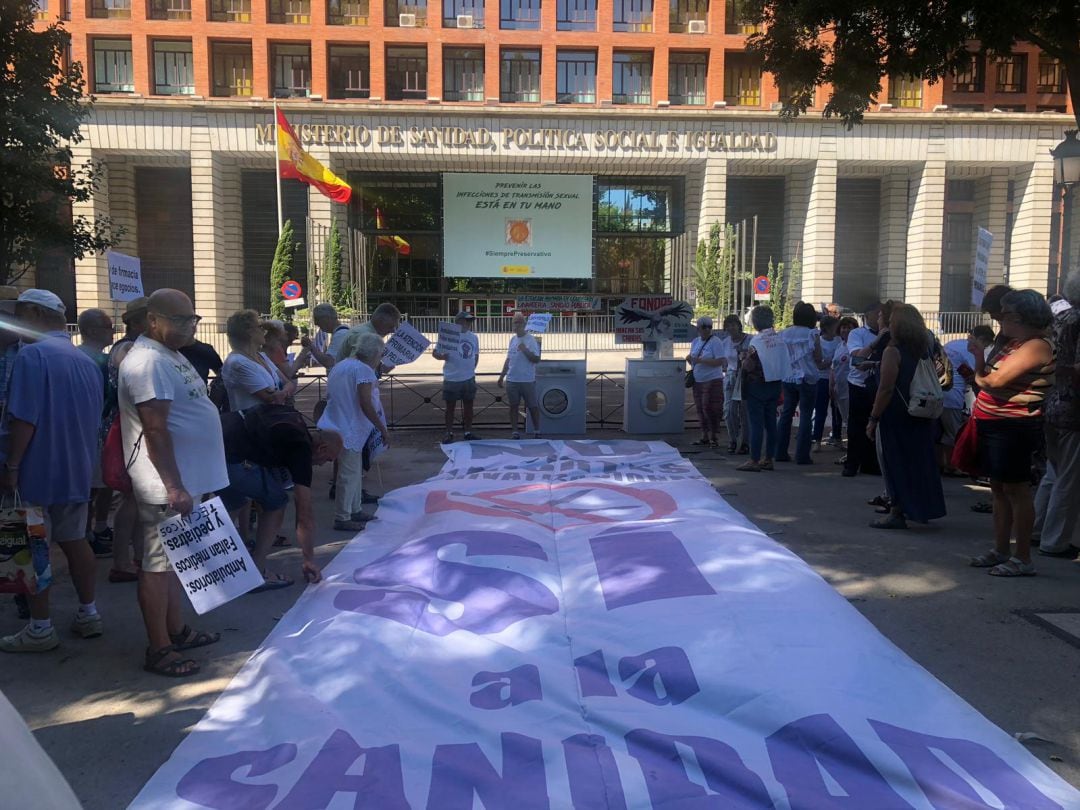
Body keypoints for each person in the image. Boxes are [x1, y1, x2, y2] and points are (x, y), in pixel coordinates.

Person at [118, 289, 227, 677]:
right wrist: (175, 487)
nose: (189, 326)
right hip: (165, 485)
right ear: (152, 321)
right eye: (180, 320)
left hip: (184, 481)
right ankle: (160, 648)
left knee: (175, 562)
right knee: (157, 565)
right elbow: (155, 429)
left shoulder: (169, 354)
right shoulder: (148, 361)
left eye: (192, 319)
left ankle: (175, 630)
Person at [0, 290, 105, 653]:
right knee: (76, 540)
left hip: (37, 468)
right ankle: (88, 612)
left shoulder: (33, 356)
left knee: (34, 547)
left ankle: (40, 627)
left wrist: (12, 465)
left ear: (33, 313)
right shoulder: (85, 361)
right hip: (77, 468)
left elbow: (24, 419)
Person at [968, 290, 1055, 577]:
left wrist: (979, 360)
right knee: (999, 489)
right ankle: (1001, 549)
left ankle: (1022, 557)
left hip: (1014, 427)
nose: (999, 320)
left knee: (1016, 490)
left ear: (1018, 317)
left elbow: (993, 381)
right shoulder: (1013, 344)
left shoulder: (1036, 345)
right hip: (996, 424)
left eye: (1004, 315)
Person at [219, 403, 343, 587]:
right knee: (277, 502)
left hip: (215, 438)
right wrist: (308, 559)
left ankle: (211, 564)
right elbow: (304, 514)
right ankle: (257, 574)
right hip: (232, 456)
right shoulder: (301, 449)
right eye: (328, 459)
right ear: (322, 448)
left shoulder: (293, 415)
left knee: (236, 500)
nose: (324, 464)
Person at [865, 304, 947, 530]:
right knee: (918, 462)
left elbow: (886, 388)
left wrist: (873, 418)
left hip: (897, 414)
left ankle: (896, 510)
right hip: (920, 411)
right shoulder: (923, 349)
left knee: (894, 463)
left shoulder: (893, 351)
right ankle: (920, 507)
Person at [318, 332, 389, 532]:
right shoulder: (363, 371)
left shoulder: (341, 365)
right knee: (349, 474)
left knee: (353, 471)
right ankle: (343, 516)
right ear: (374, 353)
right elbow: (365, 402)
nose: (380, 359)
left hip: (337, 423)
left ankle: (355, 509)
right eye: (380, 354)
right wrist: (382, 428)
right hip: (350, 427)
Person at [1034, 272, 1080, 558]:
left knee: (1053, 474)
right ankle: (1055, 541)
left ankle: (1037, 530)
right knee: (1069, 479)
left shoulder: (1059, 318)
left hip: (1052, 404)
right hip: (1073, 409)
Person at [106, 297, 150, 584]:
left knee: (139, 498)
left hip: (134, 427)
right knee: (133, 497)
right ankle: (122, 561)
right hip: (132, 429)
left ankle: (135, 557)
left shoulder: (133, 347)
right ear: (136, 322)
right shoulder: (128, 349)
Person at [76, 308, 116, 557]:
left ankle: (90, 531)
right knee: (91, 487)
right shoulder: (97, 361)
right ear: (92, 331)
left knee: (95, 487)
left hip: (92, 430)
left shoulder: (84, 356)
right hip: (96, 431)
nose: (112, 332)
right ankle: (87, 534)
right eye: (108, 327)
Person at [938, 325, 995, 474]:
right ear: (982, 339)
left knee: (942, 431)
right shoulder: (972, 350)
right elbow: (977, 376)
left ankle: (942, 463)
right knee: (954, 433)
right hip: (953, 395)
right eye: (987, 344)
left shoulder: (953, 344)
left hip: (939, 392)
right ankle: (952, 466)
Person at [737, 306, 787, 472]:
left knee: (756, 423)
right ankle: (768, 458)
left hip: (757, 385)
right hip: (774, 384)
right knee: (771, 423)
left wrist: (743, 359)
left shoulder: (757, 340)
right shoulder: (779, 338)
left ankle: (754, 459)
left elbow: (749, 365)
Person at [776, 302, 825, 465]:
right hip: (807, 377)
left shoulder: (784, 333)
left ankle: (780, 452)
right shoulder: (812, 334)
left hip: (788, 377)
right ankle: (802, 455)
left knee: (786, 414)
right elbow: (818, 358)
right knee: (805, 415)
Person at [221, 309, 292, 412]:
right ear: (250, 332)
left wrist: (282, 392)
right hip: (251, 424)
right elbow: (270, 398)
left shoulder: (261, 356)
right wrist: (284, 392)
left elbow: (288, 383)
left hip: (269, 421)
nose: (264, 331)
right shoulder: (238, 362)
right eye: (260, 327)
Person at [843, 303, 884, 477]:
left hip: (879, 384)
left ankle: (871, 463)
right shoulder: (857, 334)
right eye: (878, 313)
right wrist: (877, 341)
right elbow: (857, 359)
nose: (881, 317)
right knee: (856, 426)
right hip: (859, 384)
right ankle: (852, 463)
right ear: (868, 315)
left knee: (875, 425)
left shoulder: (890, 334)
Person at [434, 311, 480, 443]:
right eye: (467, 321)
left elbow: (476, 354)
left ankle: (468, 431)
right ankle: (448, 432)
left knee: (469, 406)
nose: (469, 323)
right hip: (452, 377)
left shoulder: (473, 337)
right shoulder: (448, 335)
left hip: (468, 377)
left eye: (470, 321)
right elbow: (435, 353)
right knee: (450, 408)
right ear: (459, 322)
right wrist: (442, 357)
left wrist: (471, 368)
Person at [497, 312, 542, 440]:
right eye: (514, 322)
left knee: (532, 406)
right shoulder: (512, 339)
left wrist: (525, 350)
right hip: (512, 379)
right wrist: (502, 376)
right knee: (513, 406)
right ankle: (515, 432)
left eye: (518, 322)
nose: (516, 325)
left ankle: (537, 430)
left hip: (527, 380)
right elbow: (508, 359)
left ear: (524, 324)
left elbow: (536, 359)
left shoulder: (531, 339)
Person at [686, 316, 727, 448]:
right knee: (700, 408)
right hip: (698, 380)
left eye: (709, 326)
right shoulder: (695, 342)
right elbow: (693, 360)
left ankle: (713, 436)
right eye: (704, 327)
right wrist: (690, 359)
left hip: (712, 379)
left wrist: (701, 361)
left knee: (711, 408)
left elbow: (720, 361)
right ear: (698, 328)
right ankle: (704, 435)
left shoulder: (716, 342)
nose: (707, 329)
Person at [336, 302, 402, 367]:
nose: (393, 331)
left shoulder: (366, 332)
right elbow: (357, 368)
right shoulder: (365, 336)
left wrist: (379, 368)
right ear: (380, 320)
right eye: (391, 326)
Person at [723, 314, 751, 454]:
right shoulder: (725, 342)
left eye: (733, 324)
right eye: (728, 325)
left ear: (739, 326)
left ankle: (745, 442)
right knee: (729, 410)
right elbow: (724, 362)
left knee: (745, 411)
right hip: (730, 377)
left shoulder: (749, 340)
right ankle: (733, 439)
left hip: (745, 377)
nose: (731, 328)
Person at [812, 315, 841, 450]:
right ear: (827, 328)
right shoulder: (819, 342)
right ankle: (817, 439)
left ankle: (837, 437)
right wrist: (834, 361)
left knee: (837, 410)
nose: (838, 329)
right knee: (821, 410)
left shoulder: (839, 340)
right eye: (835, 326)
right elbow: (820, 365)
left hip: (836, 378)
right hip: (822, 379)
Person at [829, 316, 858, 446]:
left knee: (851, 420)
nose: (845, 330)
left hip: (850, 388)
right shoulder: (840, 345)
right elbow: (834, 367)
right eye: (843, 327)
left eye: (849, 328)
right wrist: (832, 384)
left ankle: (852, 449)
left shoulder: (856, 347)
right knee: (845, 419)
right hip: (839, 388)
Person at [301, 303, 351, 370]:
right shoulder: (340, 333)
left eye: (318, 321)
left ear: (326, 318)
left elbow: (329, 362)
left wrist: (311, 346)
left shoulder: (340, 335)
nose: (317, 325)